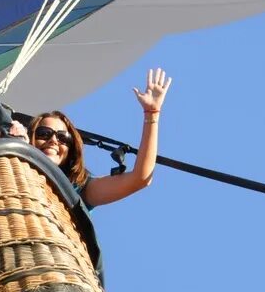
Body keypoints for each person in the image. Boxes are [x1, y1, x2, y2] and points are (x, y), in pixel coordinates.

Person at [30, 67, 171, 208]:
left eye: (63, 138)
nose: (53, 140)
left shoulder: (78, 189)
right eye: (44, 133)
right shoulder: (9, 158)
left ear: (71, 149)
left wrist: (152, 113)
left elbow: (140, 178)